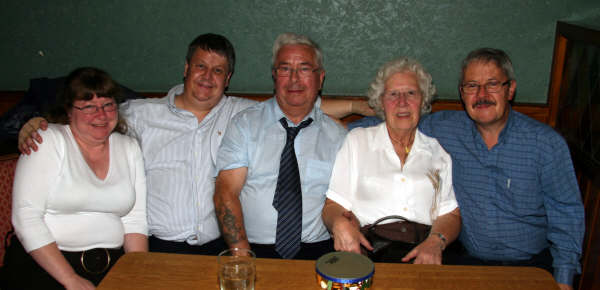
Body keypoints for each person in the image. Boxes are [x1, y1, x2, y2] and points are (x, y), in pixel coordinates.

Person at [17, 33, 371, 256]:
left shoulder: (241, 113)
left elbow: (296, 102)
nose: (208, 77)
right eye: (201, 66)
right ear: (186, 68)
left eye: (218, 71)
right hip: (156, 245)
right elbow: (94, 114)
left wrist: (356, 106)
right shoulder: (141, 114)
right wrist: (39, 124)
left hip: (217, 246)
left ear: (227, 79)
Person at [349, 48, 584, 290]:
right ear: (462, 93)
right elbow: (384, 125)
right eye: (472, 86)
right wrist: (328, 111)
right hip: (467, 263)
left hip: (531, 265)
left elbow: (566, 213)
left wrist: (563, 279)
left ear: (510, 89)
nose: (481, 95)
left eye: (492, 84)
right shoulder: (446, 129)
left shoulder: (545, 143)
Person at [2, 67, 148, 290]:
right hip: (47, 267)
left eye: (108, 105)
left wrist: (138, 275)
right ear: (69, 111)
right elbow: (26, 217)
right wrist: (70, 279)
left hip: (111, 266)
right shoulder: (48, 140)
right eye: (89, 106)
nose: (101, 114)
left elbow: (134, 220)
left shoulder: (129, 147)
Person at [213, 33, 347, 260]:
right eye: (285, 69)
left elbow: (345, 202)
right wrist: (242, 254)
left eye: (304, 69)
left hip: (318, 250)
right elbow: (225, 192)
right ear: (274, 76)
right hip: (250, 247)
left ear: (320, 78)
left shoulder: (339, 137)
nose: (294, 79)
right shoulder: (245, 125)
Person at [321, 58, 460, 265]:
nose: (402, 102)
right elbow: (332, 206)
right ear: (381, 102)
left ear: (422, 101)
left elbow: (451, 215)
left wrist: (436, 241)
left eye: (411, 93)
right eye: (393, 94)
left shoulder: (437, 152)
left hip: (423, 252)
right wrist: (339, 224)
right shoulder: (358, 141)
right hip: (370, 251)